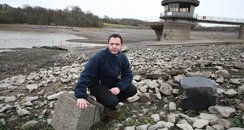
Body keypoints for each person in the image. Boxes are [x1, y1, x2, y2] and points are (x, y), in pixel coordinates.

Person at [74, 33, 137, 110]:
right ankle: (106, 99)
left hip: (112, 82)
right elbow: (86, 75)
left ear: (121, 46)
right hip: (97, 85)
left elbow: (128, 74)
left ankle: (111, 98)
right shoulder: (98, 57)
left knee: (132, 90)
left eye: (117, 44)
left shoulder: (122, 57)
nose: (114, 46)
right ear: (108, 45)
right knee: (112, 102)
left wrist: (119, 88)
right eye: (112, 44)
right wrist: (80, 96)